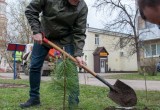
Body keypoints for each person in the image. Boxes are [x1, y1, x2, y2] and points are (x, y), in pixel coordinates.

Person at [20, 0, 88, 109]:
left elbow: (79, 32)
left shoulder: (82, 7)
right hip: (44, 35)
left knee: (71, 69)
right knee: (34, 66)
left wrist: (78, 54)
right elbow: (31, 10)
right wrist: (36, 31)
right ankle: (34, 99)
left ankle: (73, 102)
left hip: (66, 38)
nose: (76, 2)